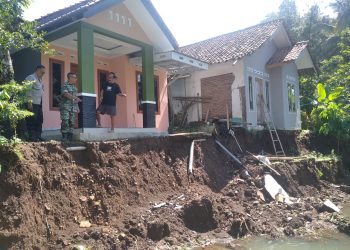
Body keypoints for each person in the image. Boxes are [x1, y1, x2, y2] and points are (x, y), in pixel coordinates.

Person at [25, 65, 46, 141]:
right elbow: (28, 91)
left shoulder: (40, 80)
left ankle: (38, 136)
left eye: (44, 72)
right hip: (32, 103)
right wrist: (29, 102)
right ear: (37, 70)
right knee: (32, 120)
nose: (43, 74)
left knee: (40, 119)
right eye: (42, 72)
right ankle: (32, 137)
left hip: (39, 103)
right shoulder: (31, 78)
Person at [60, 72, 81, 142]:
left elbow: (76, 99)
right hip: (65, 107)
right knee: (65, 121)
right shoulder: (65, 85)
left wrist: (77, 107)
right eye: (75, 78)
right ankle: (64, 137)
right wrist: (75, 98)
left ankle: (70, 138)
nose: (76, 79)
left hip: (73, 107)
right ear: (70, 78)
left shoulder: (75, 88)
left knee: (72, 122)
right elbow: (65, 94)